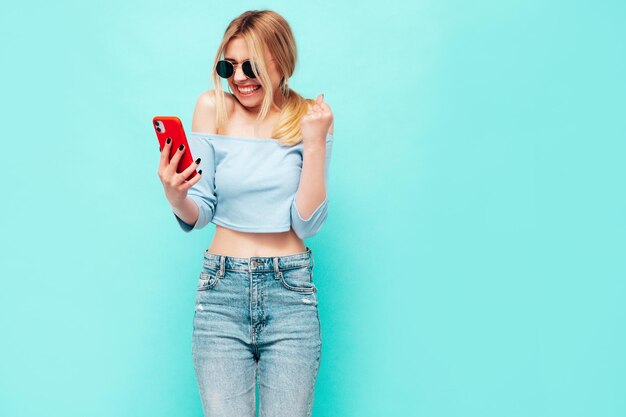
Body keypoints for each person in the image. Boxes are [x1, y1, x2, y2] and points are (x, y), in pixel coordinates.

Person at [156, 9, 334, 417]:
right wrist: (173, 193)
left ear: (280, 62)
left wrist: (315, 142)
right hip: (222, 292)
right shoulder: (211, 107)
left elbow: (307, 222)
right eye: (228, 66)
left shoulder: (309, 118)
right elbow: (199, 210)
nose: (238, 78)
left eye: (250, 66)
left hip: (290, 291)